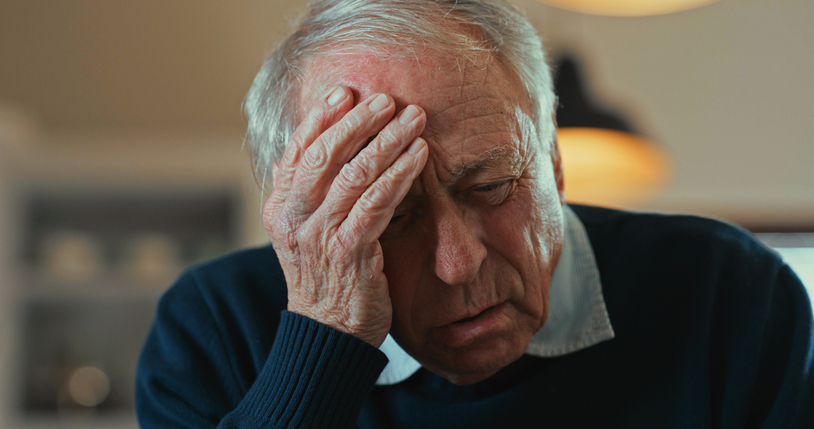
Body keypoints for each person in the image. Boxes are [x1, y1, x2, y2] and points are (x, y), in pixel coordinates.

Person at [135, 0, 814, 427]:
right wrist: (325, 333)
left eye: (491, 184)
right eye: (389, 214)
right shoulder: (214, 328)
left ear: (551, 157)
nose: (459, 263)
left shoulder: (731, 293)